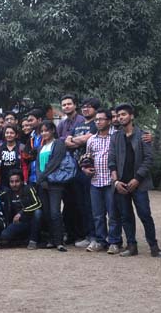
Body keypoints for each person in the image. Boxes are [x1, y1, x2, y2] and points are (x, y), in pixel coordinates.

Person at [109, 104, 161, 259]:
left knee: (145, 215)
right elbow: (111, 161)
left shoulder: (143, 135)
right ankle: (131, 246)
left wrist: (137, 178)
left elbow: (149, 159)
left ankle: (154, 248)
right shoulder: (115, 137)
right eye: (118, 115)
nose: (120, 117)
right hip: (121, 185)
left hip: (139, 183)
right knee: (126, 217)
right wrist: (116, 182)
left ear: (131, 116)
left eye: (123, 114)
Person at [81, 109, 121, 253]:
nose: (98, 122)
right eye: (96, 120)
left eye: (101, 119)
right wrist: (85, 169)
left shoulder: (117, 136)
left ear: (109, 121)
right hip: (95, 181)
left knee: (113, 214)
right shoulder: (91, 139)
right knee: (97, 215)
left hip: (111, 181)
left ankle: (114, 241)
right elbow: (87, 159)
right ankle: (100, 241)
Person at [58, 94, 94, 249]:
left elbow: (87, 139)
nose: (66, 106)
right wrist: (74, 141)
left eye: (69, 104)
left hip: (84, 166)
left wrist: (72, 141)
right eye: (64, 104)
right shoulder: (62, 123)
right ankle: (71, 233)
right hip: (68, 168)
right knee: (70, 202)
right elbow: (61, 141)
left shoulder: (82, 121)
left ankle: (86, 234)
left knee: (85, 203)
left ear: (74, 105)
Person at [36, 121, 71, 252]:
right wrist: (40, 179)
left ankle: (59, 241)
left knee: (55, 212)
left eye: (46, 130)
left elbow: (55, 163)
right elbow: (38, 165)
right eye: (42, 131)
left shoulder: (58, 144)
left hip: (55, 183)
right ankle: (51, 239)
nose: (44, 133)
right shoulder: (41, 147)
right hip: (42, 183)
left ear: (52, 130)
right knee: (46, 212)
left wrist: (42, 176)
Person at [0, 172, 43, 249]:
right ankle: (22, 240)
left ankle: (33, 241)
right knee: (4, 235)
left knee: (38, 212)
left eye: (17, 181)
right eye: (12, 182)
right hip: (18, 223)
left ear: (22, 181)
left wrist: (22, 212)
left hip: (31, 220)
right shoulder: (7, 192)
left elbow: (38, 204)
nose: (14, 184)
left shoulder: (28, 189)